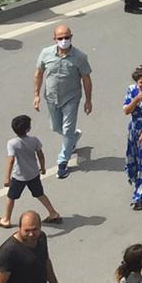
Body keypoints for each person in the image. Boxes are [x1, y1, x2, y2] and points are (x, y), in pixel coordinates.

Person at [31, 26, 93, 180]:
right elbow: (39, 74)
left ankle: (62, 162)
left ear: (71, 37)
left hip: (71, 98)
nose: (64, 40)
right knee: (56, 127)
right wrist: (36, 95)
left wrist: (88, 100)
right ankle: (73, 138)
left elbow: (86, 79)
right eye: (60, 38)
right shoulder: (46, 53)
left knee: (67, 130)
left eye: (66, 37)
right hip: (51, 98)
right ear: (54, 39)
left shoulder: (80, 57)